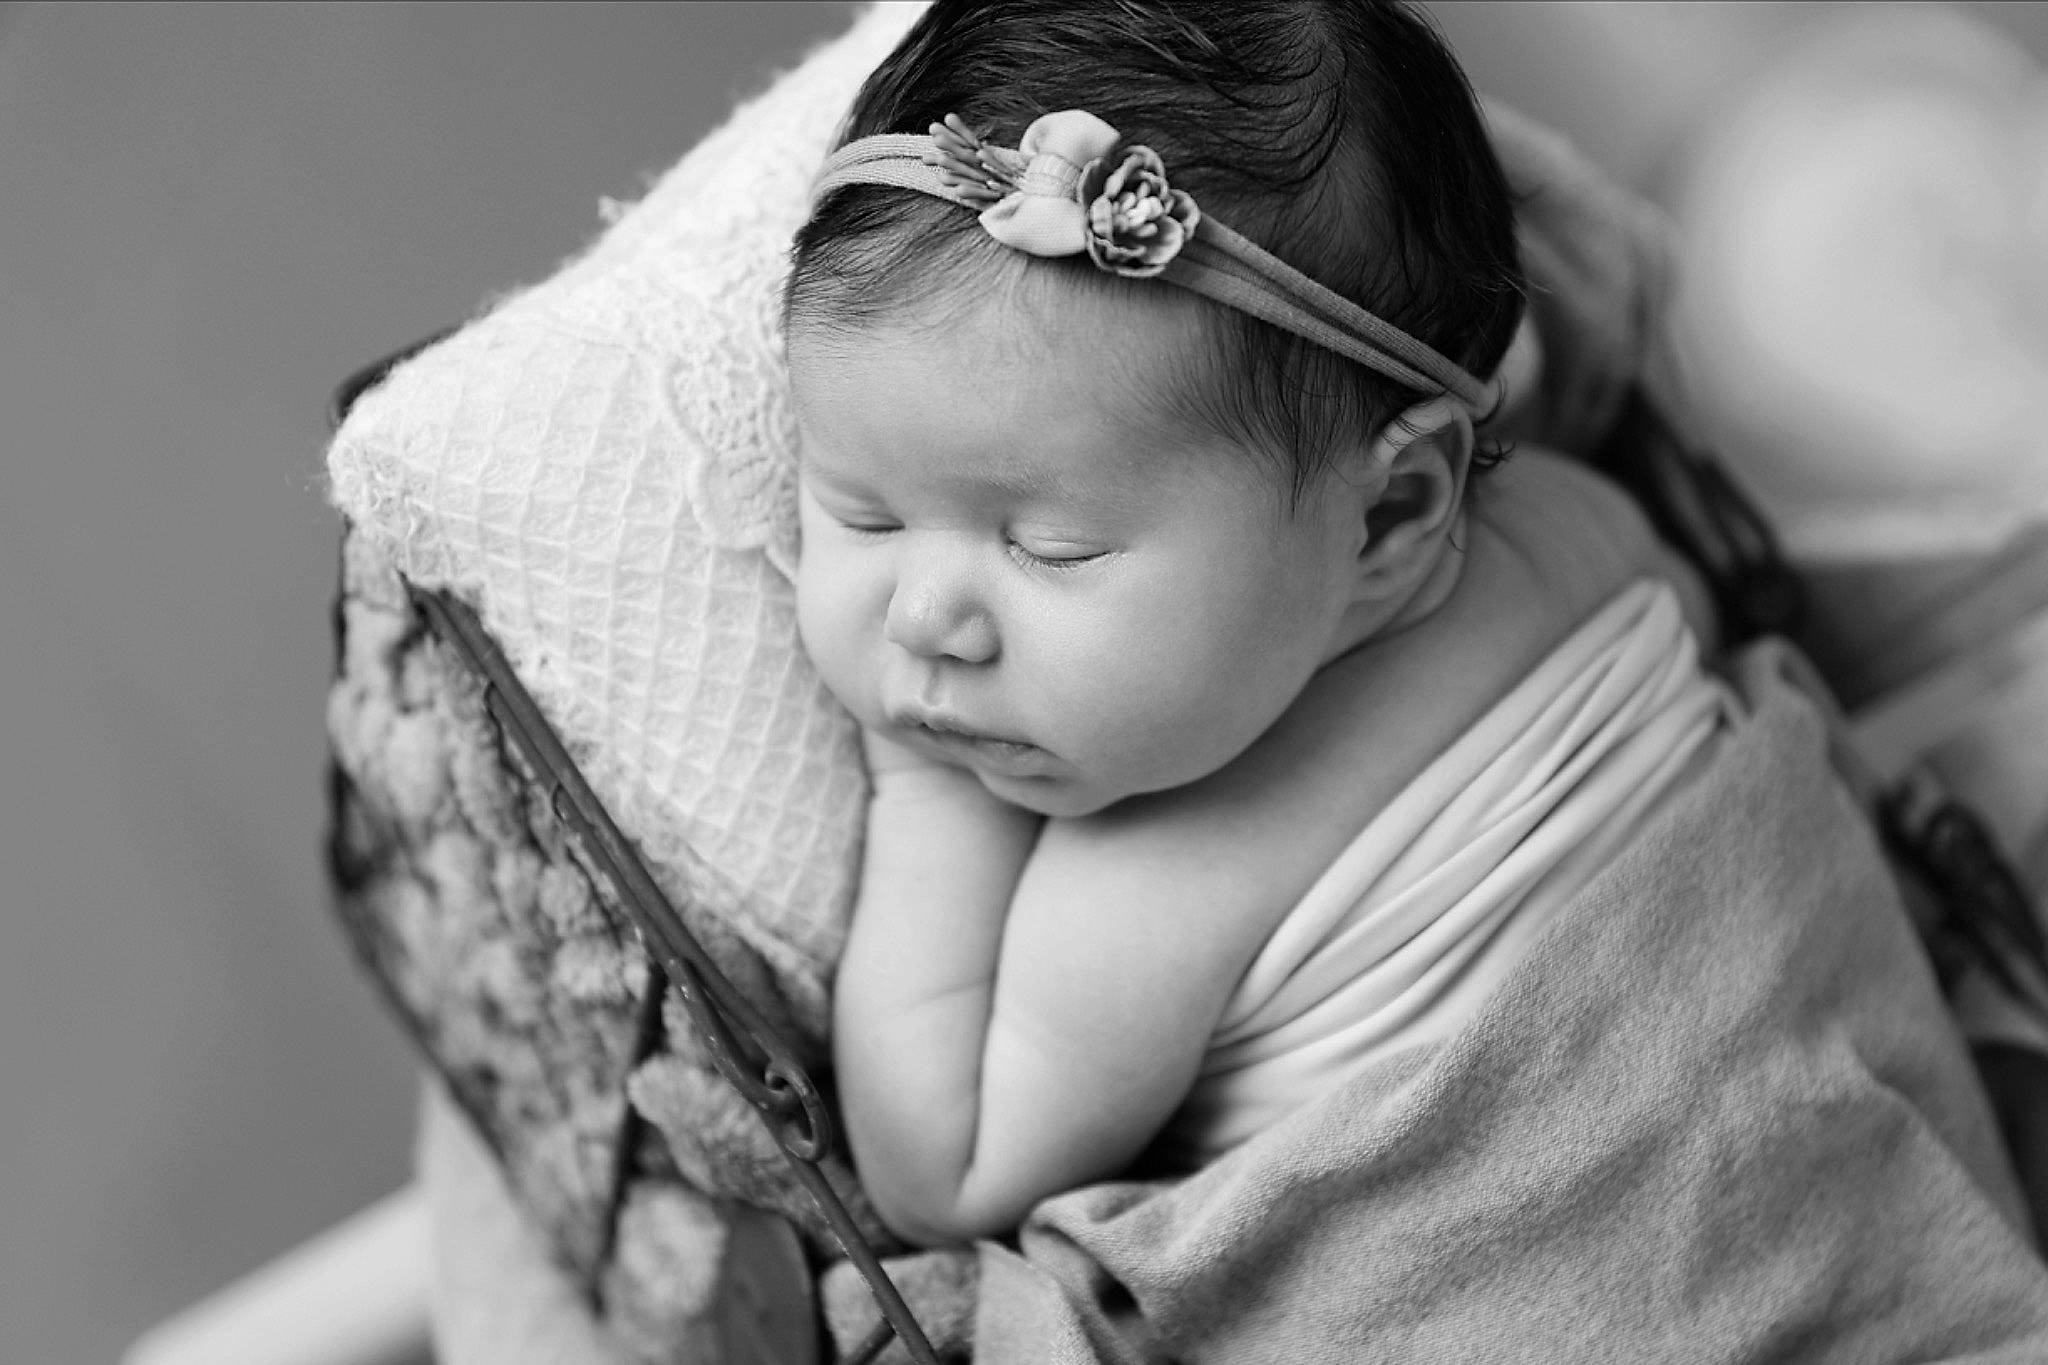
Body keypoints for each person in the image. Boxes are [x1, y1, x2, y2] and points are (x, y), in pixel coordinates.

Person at [783, 0, 1734, 1246]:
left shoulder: (1154, 875)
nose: (923, 620)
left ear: (1391, 514)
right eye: (858, 515)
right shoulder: (1588, 519)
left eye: (1049, 548)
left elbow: (938, 1176)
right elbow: (1707, 618)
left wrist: (920, 791)